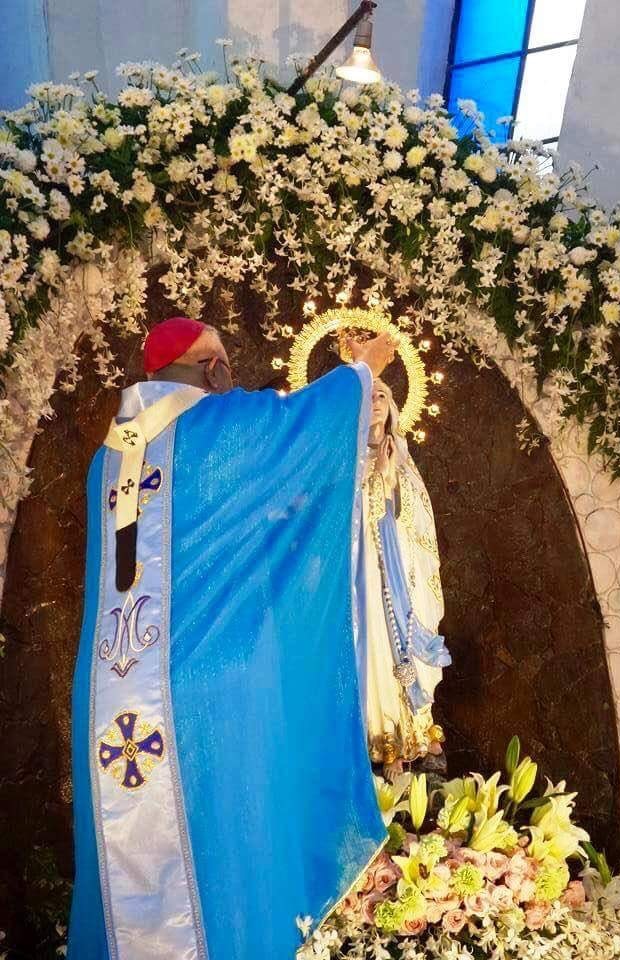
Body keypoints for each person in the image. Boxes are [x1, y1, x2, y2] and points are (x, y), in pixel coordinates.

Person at [68, 316, 396, 960]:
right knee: (223, 852)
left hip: (108, 690)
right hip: (204, 693)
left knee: (125, 854)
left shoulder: (104, 459)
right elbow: (303, 425)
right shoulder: (217, 428)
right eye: (223, 361)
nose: (231, 377)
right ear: (206, 367)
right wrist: (364, 372)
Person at [359, 379, 451, 770]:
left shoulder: (403, 456)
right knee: (371, 647)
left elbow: (417, 517)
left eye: (382, 396)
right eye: (368, 396)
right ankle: (374, 737)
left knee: (403, 639)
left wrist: (391, 477)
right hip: (360, 576)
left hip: (400, 576)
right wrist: (375, 476)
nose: (376, 403)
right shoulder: (343, 456)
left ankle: (412, 731)